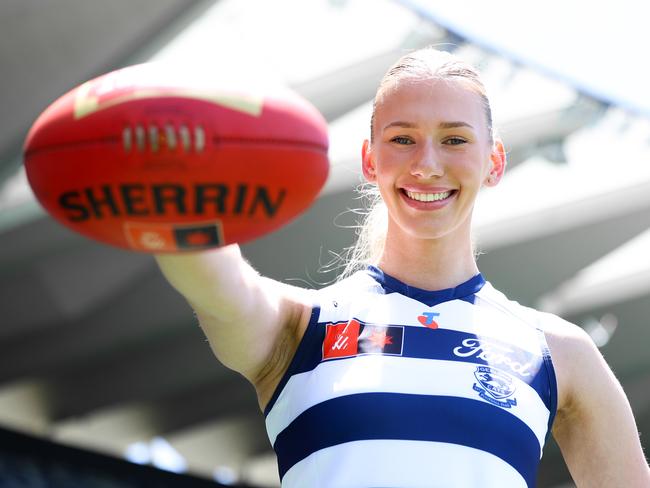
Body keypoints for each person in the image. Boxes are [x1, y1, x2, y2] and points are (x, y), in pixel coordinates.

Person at [155, 47, 650, 487]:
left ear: (494, 162)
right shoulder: (299, 326)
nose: (427, 165)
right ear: (370, 161)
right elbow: (214, 284)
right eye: (403, 139)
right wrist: (163, 185)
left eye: (455, 140)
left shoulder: (558, 352)